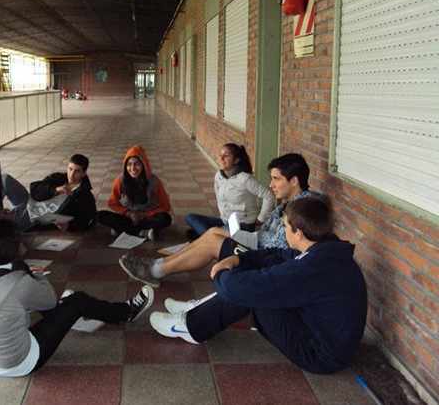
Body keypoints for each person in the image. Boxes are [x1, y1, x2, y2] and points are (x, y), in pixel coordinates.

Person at [150, 196, 368, 375]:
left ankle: (191, 327)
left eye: (285, 227)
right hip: (320, 330)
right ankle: (196, 310)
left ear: (299, 233)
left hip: (320, 355)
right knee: (256, 283)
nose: (284, 231)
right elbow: (278, 255)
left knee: (254, 292)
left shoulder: (313, 268)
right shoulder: (326, 249)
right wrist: (239, 259)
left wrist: (221, 273)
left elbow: (242, 288)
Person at [0, 217, 154, 377]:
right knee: (76, 301)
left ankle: (81, 317)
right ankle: (127, 312)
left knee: (27, 302)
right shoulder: (18, 282)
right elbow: (49, 300)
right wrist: (37, 275)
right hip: (16, 363)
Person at [118, 153, 315, 287]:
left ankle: (155, 272)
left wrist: (242, 236)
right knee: (212, 231)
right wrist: (242, 234)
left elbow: (279, 246)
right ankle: (157, 264)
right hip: (259, 243)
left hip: (267, 259)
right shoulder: (288, 203)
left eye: (276, 179)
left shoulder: (304, 209)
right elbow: (267, 233)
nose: (271, 185)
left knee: (213, 242)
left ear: (294, 181)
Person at [185, 143, 274, 239]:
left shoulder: (245, 179)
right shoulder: (219, 176)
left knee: (200, 231)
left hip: (242, 224)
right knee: (190, 217)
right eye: (220, 155)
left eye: (226, 156)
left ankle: (210, 236)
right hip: (225, 220)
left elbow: (268, 196)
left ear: (236, 160)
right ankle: (213, 236)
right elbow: (219, 199)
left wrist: (261, 218)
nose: (221, 158)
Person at [97, 145, 172, 240]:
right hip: (127, 217)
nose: (132, 168)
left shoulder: (154, 181)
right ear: (125, 166)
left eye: (137, 164)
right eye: (129, 164)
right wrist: (128, 213)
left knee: (165, 218)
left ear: (144, 165)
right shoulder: (120, 180)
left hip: (147, 218)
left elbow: (165, 206)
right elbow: (112, 203)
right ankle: (142, 232)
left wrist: (144, 215)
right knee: (100, 215)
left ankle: (123, 230)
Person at [29, 154, 96, 231]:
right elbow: (34, 189)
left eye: (77, 171)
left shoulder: (86, 196)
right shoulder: (57, 177)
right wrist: (55, 190)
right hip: (32, 207)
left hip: (40, 220)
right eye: (70, 169)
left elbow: (87, 220)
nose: (71, 174)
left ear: (83, 174)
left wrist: (68, 226)